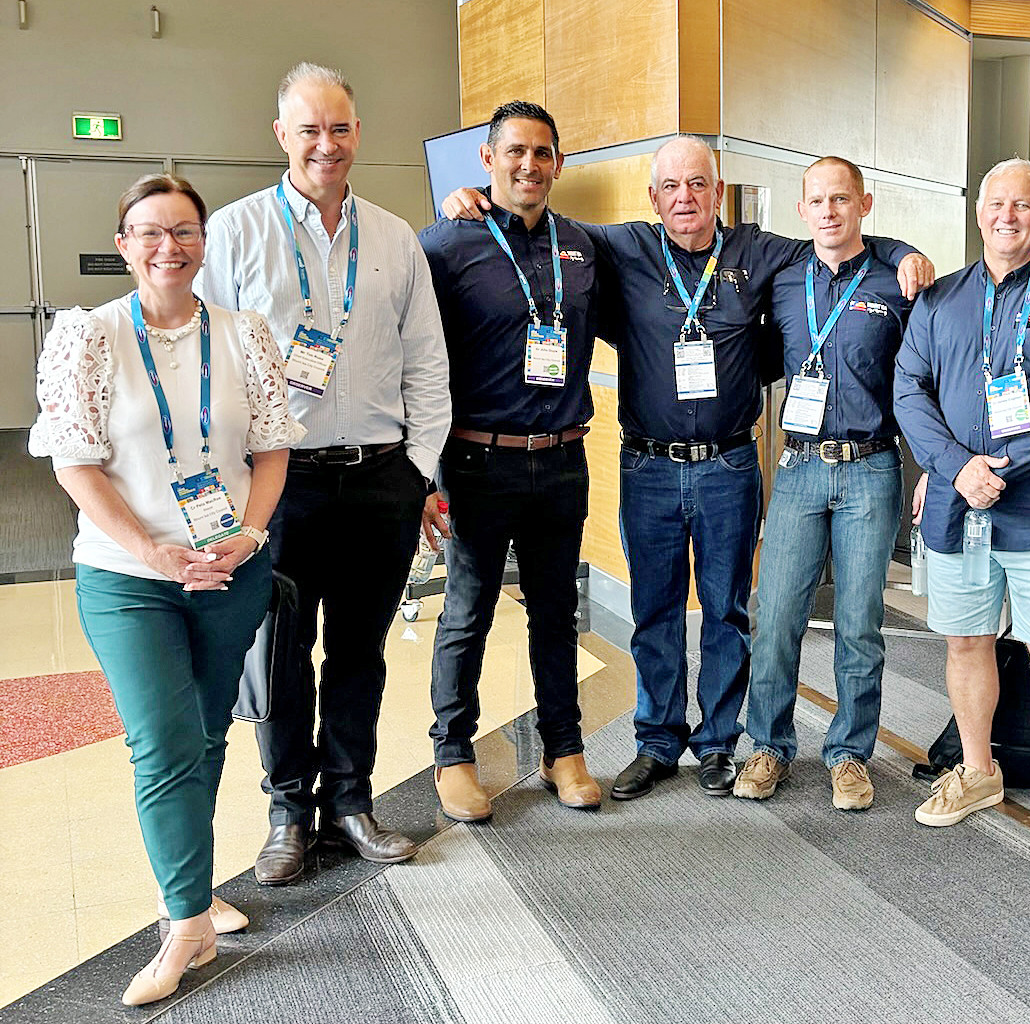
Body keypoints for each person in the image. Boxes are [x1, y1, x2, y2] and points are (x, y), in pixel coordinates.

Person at [442, 137, 931, 801]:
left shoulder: (760, 252)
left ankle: (719, 743)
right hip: (647, 466)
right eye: (671, 186)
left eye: (698, 184)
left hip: (731, 464)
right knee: (655, 611)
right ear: (653, 197)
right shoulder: (622, 247)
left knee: (728, 611)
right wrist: (473, 203)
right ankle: (658, 740)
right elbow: (533, 216)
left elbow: (843, 240)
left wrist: (905, 253)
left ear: (717, 188)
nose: (685, 199)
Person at [29, 175, 301, 1005]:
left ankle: (188, 883)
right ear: (124, 244)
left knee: (210, 732)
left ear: (204, 242)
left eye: (182, 231)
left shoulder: (244, 334)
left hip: (229, 569)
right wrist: (153, 549)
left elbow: (270, 448)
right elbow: (74, 463)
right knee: (162, 741)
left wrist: (247, 537)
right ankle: (183, 922)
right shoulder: (90, 336)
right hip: (129, 578)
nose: (167, 247)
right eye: (148, 232)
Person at [198, 62, 451, 884]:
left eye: (339, 128)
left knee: (359, 652)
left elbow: (426, 365)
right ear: (281, 135)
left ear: (357, 133)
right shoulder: (234, 234)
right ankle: (287, 813)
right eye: (309, 129)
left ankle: (349, 801)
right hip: (280, 488)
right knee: (281, 651)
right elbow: (203, 366)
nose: (325, 144)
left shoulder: (393, 238)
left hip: (380, 479)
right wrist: (229, 493)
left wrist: (417, 473)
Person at [894, 159, 1030, 840]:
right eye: (996, 203)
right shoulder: (940, 299)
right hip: (960, 512)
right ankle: (980, 769)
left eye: (1024, 206)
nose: (1007, 216)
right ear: (979, 211)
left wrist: (1004, 467)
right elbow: (909, 390)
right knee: (966, 643)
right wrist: (957, 469)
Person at [416, 100, 601, 817]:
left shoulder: (583, 245)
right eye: (515, 152)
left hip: (561, 461)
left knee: (557, 613)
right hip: (477, 463)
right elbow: (418, 363)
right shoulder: (446, 245)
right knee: (468, 612)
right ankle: (452, 754)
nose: (530, 165)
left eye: (544, 153)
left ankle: (565, 749)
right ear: (487, 160)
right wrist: (426, 474)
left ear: (558, 163)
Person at [732, 157, 912, 811]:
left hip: (870, 466)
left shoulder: (896, 279)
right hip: (799, 467)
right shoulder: (781, 279)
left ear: (865, 203)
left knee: (860, 623)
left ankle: (848, 754)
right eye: (817, 200)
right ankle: (769, 745)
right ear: (802, 210)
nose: (829, 210)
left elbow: (922, 378)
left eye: (842, 198)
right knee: (775, 615)